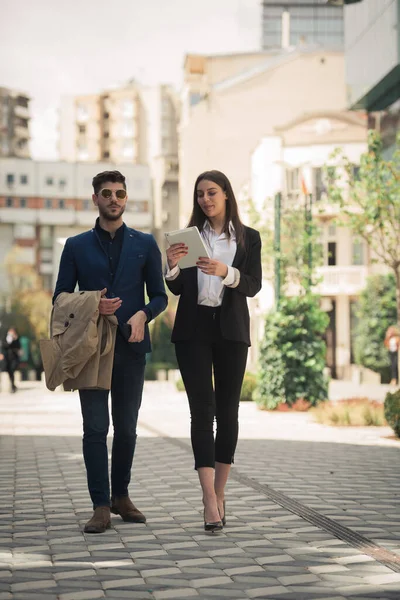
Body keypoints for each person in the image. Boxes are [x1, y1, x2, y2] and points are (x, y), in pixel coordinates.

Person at [54, 170, 168, 533]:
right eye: (107, 193)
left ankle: (121, 496)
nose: (114, 198)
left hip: (132, 347)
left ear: (125, 198)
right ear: (95, 199)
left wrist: (143, 314)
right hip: (91, 349)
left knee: (128, 428)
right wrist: (92, 305)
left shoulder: (145, 243)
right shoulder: (75, 246)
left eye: (120, 193)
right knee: (95, 429)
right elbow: (59, 297)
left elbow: (161, 296)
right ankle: (100, 505)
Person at [165, 170, 262, 532]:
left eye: (212, 193)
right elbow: (176, 289)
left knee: (228, 412)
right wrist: (171, 266)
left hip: (231, 329)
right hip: (193, 329)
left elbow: (253, 285)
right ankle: (208, 498)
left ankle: (221, 492)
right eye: (200, 194)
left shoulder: (248, 238)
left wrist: (227, 272)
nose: (205, 199)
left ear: (226, 194)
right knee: (201, 412)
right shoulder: (189, 237)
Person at [0, 327, 21, 393]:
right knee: (8, 371)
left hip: (13, 358)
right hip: (6, 358)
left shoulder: (16, 339)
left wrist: (15, 339)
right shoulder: (4, 338)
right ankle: (12, 385)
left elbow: (18, 346)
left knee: (12, 370)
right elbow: (3, 346)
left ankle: (13, 386)